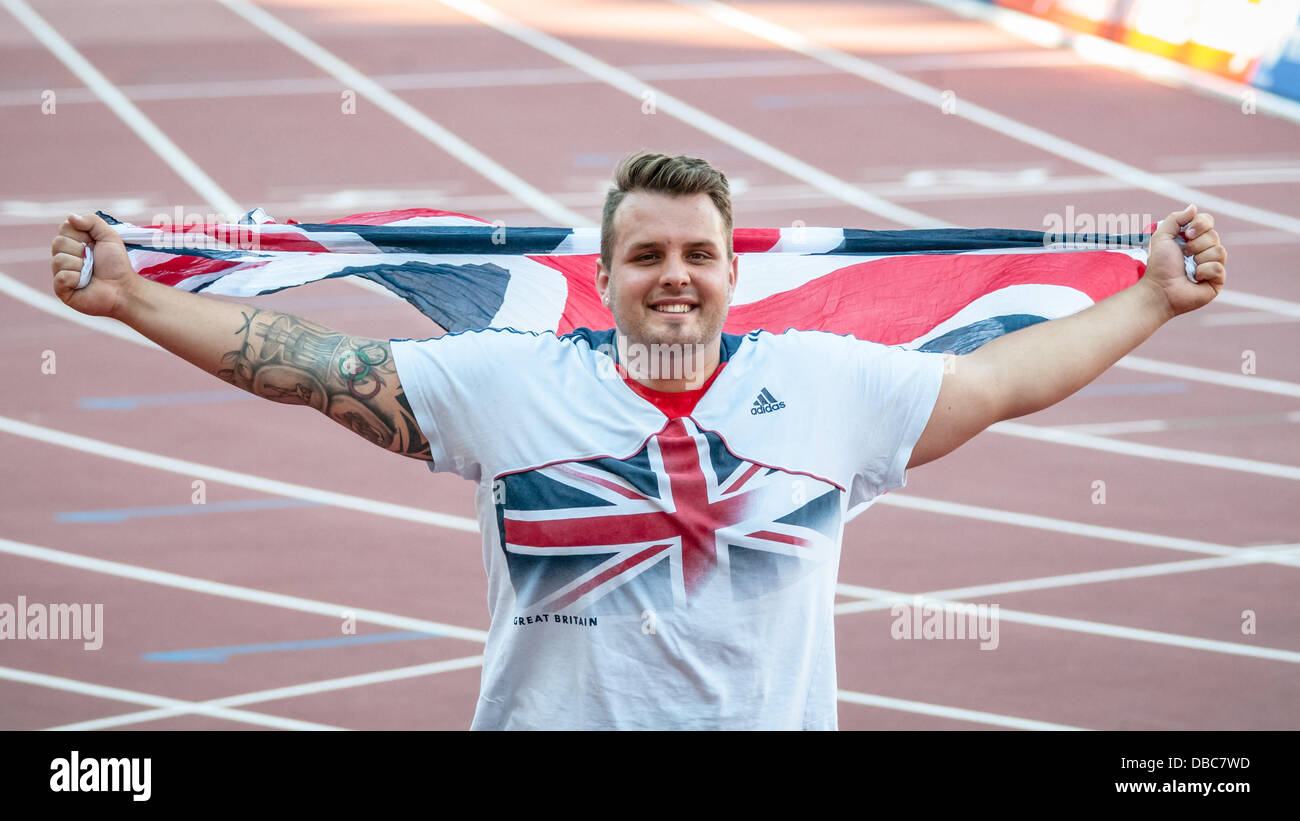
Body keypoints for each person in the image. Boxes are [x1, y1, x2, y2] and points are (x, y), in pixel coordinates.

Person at [49, 152, 1227, 730]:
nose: (674, 276)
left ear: (732, 270)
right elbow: (313, 368)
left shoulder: (827, 385)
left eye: (697, 254)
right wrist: (135, 298)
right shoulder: (504, 384)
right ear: (603, 274)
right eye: (648, 255)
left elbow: (999, 379)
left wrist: (1151, 300)